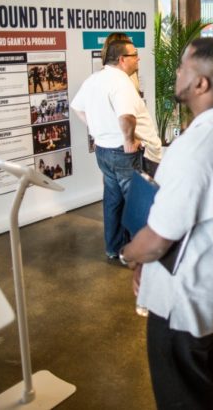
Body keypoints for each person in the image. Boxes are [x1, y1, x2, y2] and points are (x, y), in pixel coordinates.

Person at [121, 37, 213, 409]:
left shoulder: (197, 146)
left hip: (180, 303)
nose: (176, 72)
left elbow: (156, 242)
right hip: (210, 294)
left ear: (201, 84)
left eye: (183, 67)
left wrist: (129, 255)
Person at [71, 38, 163, 262]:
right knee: (138, 203)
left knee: (113, 200)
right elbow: (126, 116)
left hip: (104, 151)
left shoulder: (95, 79)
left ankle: (114, 248)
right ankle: (141, 254)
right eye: (134, 54)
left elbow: (77, 107)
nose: (138, 58)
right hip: (125, 153)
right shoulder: (121, 82)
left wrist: (98, 130)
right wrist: (128, 139)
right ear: (122, 59)